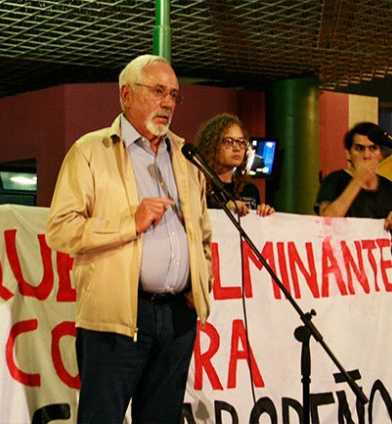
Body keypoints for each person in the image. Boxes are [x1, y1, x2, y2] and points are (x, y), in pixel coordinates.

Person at [45, 55, 213, 423]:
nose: (167, 102)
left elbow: (202, 236)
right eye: (157, 91)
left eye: (173, 94)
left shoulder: (185, 156)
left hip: (178, 317)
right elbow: (60, 229)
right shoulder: (90, 151)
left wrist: (199, 285)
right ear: (126, 95)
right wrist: (129, 222)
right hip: (118, 317)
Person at [314, 121, 392, 242]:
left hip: (379, 259)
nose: (366, 155)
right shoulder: (334, 180)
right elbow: (327, 221)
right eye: (359, 149)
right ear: (348, 154)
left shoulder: (389, 188)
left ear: (381, 155)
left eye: (373, 148)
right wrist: (358, 180)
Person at [195, 113, 275, 217]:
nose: (237, 148)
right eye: (228, 141)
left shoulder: (250, 190)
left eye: (241, 142)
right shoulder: (199, 187)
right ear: (212, 145)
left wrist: (264, 213)